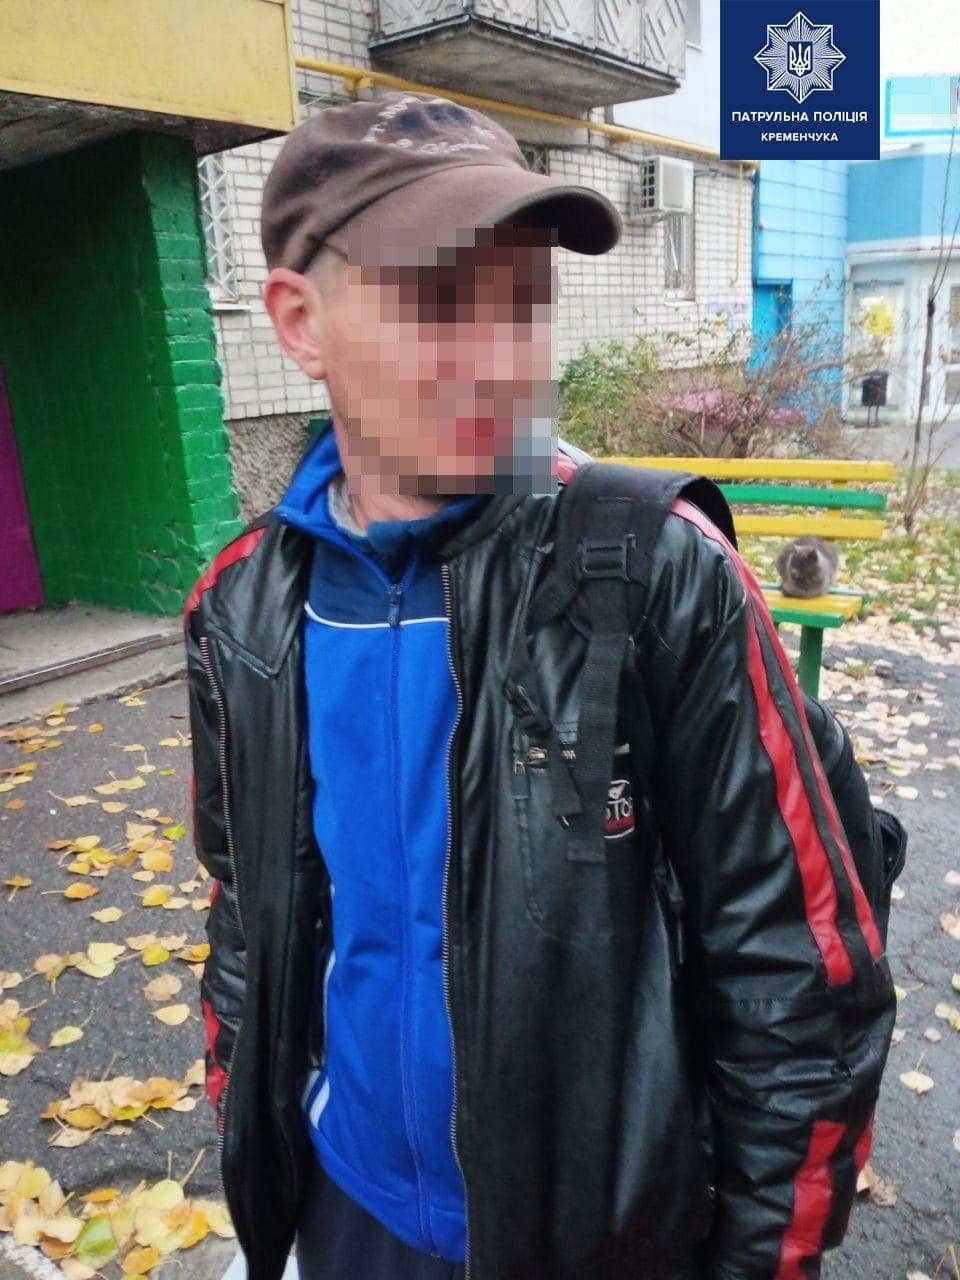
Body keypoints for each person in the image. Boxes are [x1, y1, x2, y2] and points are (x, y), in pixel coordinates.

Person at [184, 91, 896, 1280]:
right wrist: (248, 1113)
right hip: (344, 1205)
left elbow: (800, 976)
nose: (502, 354)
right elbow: (244, 912)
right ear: (300, 322)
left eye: (524, 299)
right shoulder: (245, 606)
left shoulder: (656, 572)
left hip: (600, 1236)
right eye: (438, 298)